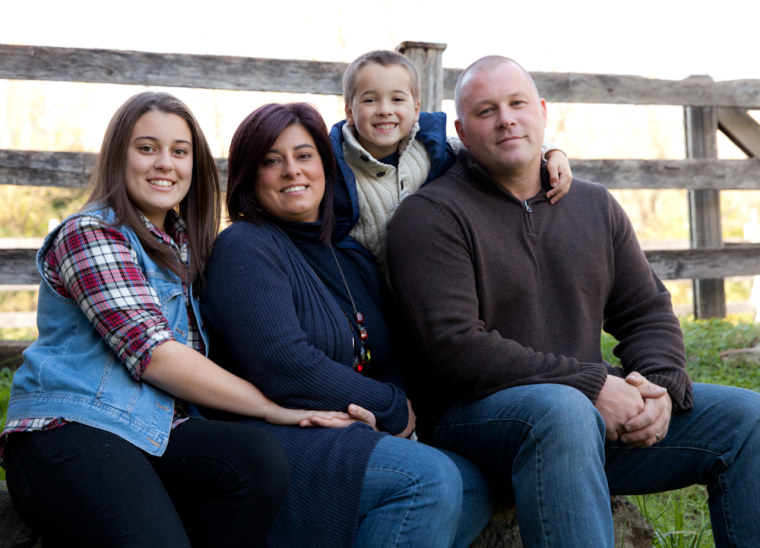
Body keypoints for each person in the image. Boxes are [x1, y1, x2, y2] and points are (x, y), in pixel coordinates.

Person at [386, 56, 760, 547]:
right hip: (474, 425)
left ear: (542, 111)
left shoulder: (594, 205)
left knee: (748, 421)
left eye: (518, 103)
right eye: (486, 110)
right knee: (563, 410)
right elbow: (454, 346)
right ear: (461, 129)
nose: (506, 119)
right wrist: (591, 386)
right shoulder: (430, 217)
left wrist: (662, 390)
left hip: (586, 423)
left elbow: (645, 310)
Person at [0, 92, 342, 547]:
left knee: (255, 460)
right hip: (73, 431)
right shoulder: (90, 234)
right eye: (147, 148)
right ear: (119, 156)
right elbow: (156, 356)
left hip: (157, 432)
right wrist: (271, 407)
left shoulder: (185, 246)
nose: (165, 163)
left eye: (179, 152)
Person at [199, 102, 494, 548]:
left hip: (349, 427)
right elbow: (285, 364)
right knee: (427, 477)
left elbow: (387, 354)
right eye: (271, 161)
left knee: (473, 481)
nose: (291, 171)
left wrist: (391, 417)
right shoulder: (244, 246)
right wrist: (390, 408)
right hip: (279, 432)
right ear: (249, 176)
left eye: (304, 155)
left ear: (325, 166)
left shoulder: (352, 257)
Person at [330, 49, 573, 272]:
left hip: (431, 279)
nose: (385, 109)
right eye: (370, 100)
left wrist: (551, 152)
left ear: (416, 110)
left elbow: (494, 143)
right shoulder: (335, 167)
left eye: (397, 99)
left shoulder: (432, 146)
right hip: (369, 298)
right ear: (349, 111)